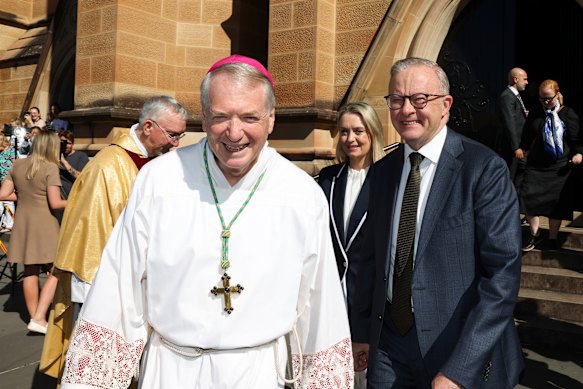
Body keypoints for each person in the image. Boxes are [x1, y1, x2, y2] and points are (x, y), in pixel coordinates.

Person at [59, 55, 353, 388]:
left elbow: (319, 302)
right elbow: (120, 285)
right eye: (221, 117)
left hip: (258, 373)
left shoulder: (300, 193)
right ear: (204, 115)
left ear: (271, 119)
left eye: (250, 117)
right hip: (172, 370)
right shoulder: (159, 180)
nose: (234, 132)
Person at [350, 57, 523, 389]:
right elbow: (368, 260)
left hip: (456, 346)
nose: (406, 109)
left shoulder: (483, 169)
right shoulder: (382, 172)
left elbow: (502, 276)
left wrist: (460, 368)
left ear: (445, 105)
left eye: (419, 99)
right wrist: (361, 332)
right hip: (388, 344)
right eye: (396, 99)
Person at [39, 95, 188, 381]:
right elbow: (89, 236)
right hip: (107, 286)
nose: (176, 143)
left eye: (179, 135)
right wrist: (93, 299)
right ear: (148, 126)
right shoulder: (108, 167)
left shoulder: (155, 162)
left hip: (148, 284)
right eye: (173, 135)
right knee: (100, 368)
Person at [318, 101, 385, 388]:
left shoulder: (388, 179)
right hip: (329, 300)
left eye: (359, 131)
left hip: (369, 303)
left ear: (372, 134)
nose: (350, 139)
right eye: (344, 132)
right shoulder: (328, 179)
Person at [0, 131, 67, 334]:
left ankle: (35, 318)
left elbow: (2, 194)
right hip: (45, 223)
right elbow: (55, 202)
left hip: (24, 222)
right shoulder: (50, 168)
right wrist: (79, 200)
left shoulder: (17, 165)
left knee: (30, 270)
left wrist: (22, 197)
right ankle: (39, 317)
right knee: (58, 269)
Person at [521, 79, 582, 251]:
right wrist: (522, 149)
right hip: (536, 166)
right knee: (528, 199)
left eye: (549, 98)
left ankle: (553, 238)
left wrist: (579, 153)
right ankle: (535, 235)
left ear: (557, 94)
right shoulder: (535, 113)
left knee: (556, 204)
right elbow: (526, 133)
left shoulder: (568, 114)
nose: (546, 102)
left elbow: (576, 138)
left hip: (558, 167)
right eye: (542, 99)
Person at [497, 67, 529, 191]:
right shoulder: (507, 96)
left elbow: (515, 117)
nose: (526, 82)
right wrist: (516, 147)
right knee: (510, 175)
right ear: (516, 79)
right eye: (524, 79)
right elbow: (509, 122)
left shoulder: (515, 96)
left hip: (518, 145)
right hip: (511, 147)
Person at [55, 130, 89, 223]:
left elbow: (82, 177)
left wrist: (64, 163)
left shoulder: (81, 156)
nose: (66, 145)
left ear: (73, 144)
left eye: (68, 143)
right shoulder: (52, 156)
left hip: (72, 200)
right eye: (62, 142)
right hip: (56, 201)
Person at [0, 136, 17, 232]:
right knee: (2, 201)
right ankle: (5, 222)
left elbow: (16, 163)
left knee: (7, 200)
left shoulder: (11, 150)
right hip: (2, 179)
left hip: (10, 178)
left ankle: (9, 223)